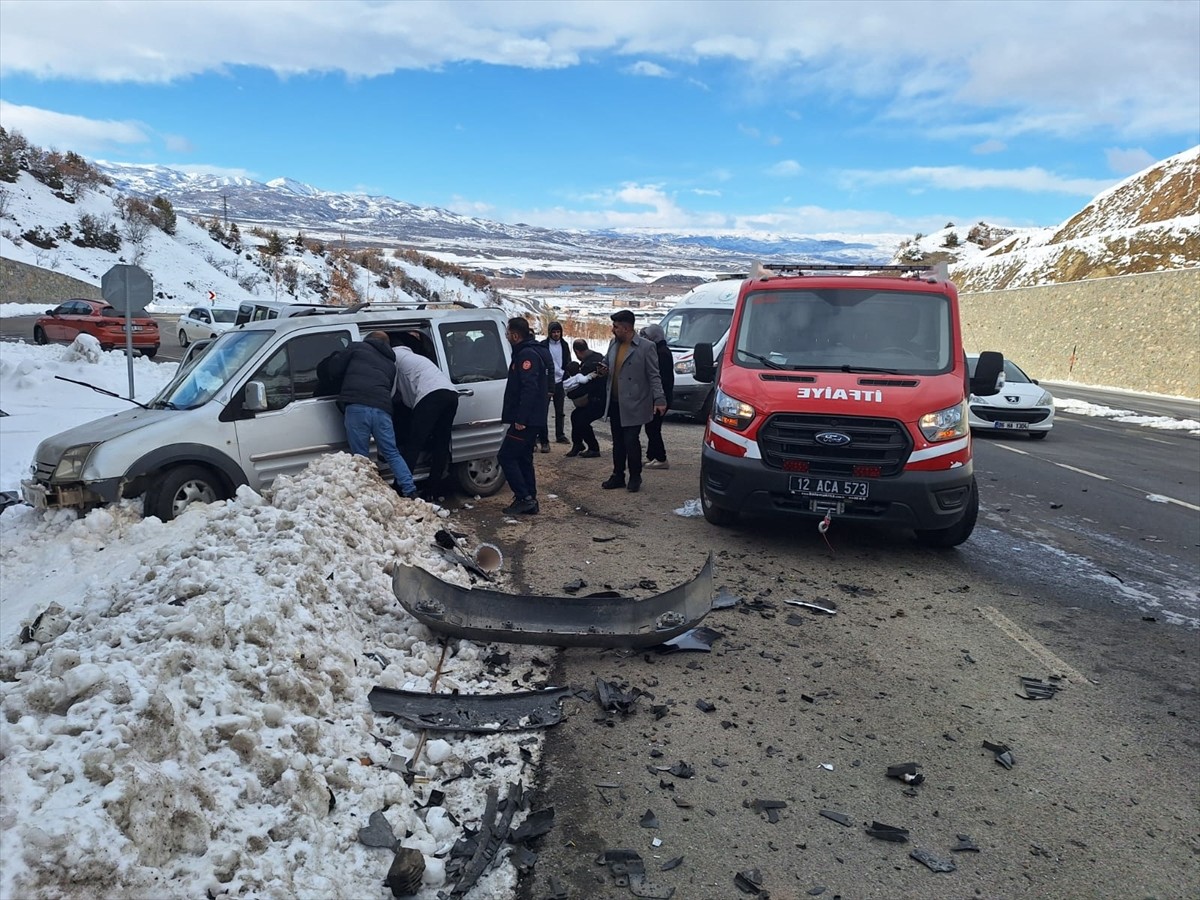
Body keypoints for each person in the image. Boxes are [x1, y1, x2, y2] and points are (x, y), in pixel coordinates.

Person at [325, 330, 418, 498]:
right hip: (382, 410)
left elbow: (334, 369)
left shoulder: (357, 348)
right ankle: (410, 489)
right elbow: (389, 388)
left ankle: (366, 494)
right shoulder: (390, 364)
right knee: (391, 452)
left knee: (361, 456)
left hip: (357, 406)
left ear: (367, 339)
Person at [596, 310, 666, 493]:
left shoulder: (646, 347)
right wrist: (603, 369)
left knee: (630, 440)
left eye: (616, 327)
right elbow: (606, 362)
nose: (613, 330)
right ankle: (618, 475)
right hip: (615, 402)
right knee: (617, 441)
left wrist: (659, 399)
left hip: (635, 403)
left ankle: (635, 476)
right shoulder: (613, 344)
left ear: (626, 328)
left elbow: (654, 375)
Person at [392, 333, 459, 501]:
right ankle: (433, 489)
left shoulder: (393, 358)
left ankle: (401, 487)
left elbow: (392, 391)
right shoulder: (413, 357)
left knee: (414, 443)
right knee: (441, 442)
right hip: (451, 394)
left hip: (431, 395)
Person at [497, 317, 550, 515]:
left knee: (506, 456)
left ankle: (524, 497)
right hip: (530, 418)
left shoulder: (526, 355)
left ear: (515, 335)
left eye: (508, 333)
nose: (507, 337)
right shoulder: (524, 352)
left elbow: (530, 389)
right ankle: (530, 499)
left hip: (526, 420)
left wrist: (521, 418)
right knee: (523, 457)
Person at [639, 323, 675, 469]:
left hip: (660, 398)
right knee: (651, 426)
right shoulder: (660, 350)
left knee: (653, 428)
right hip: (658, 396)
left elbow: (660, 378)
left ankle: (661, 458)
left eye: (647, 336)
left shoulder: (661, 353)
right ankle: (652, 456)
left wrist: (658, 398)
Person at [564, 338, 606, 458]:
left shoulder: (589, 364)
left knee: (582, 420)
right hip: (597, 398)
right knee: (576, 416)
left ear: (577, 351)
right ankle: (578, 444)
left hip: (597, 399)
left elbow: (586, 386)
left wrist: (571, 394)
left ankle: (593, 448)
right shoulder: (596, 358)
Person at [535, 321, 570, 452]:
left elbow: (567, 360)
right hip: (546, 382)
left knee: (559, 411)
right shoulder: (543, 345)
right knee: (542, 411)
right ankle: (543, 438)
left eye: (558, 332)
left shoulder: (565, 345)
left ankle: (560, 435)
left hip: (560, 382)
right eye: (554, 332)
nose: (556, 334)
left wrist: (565, 374)